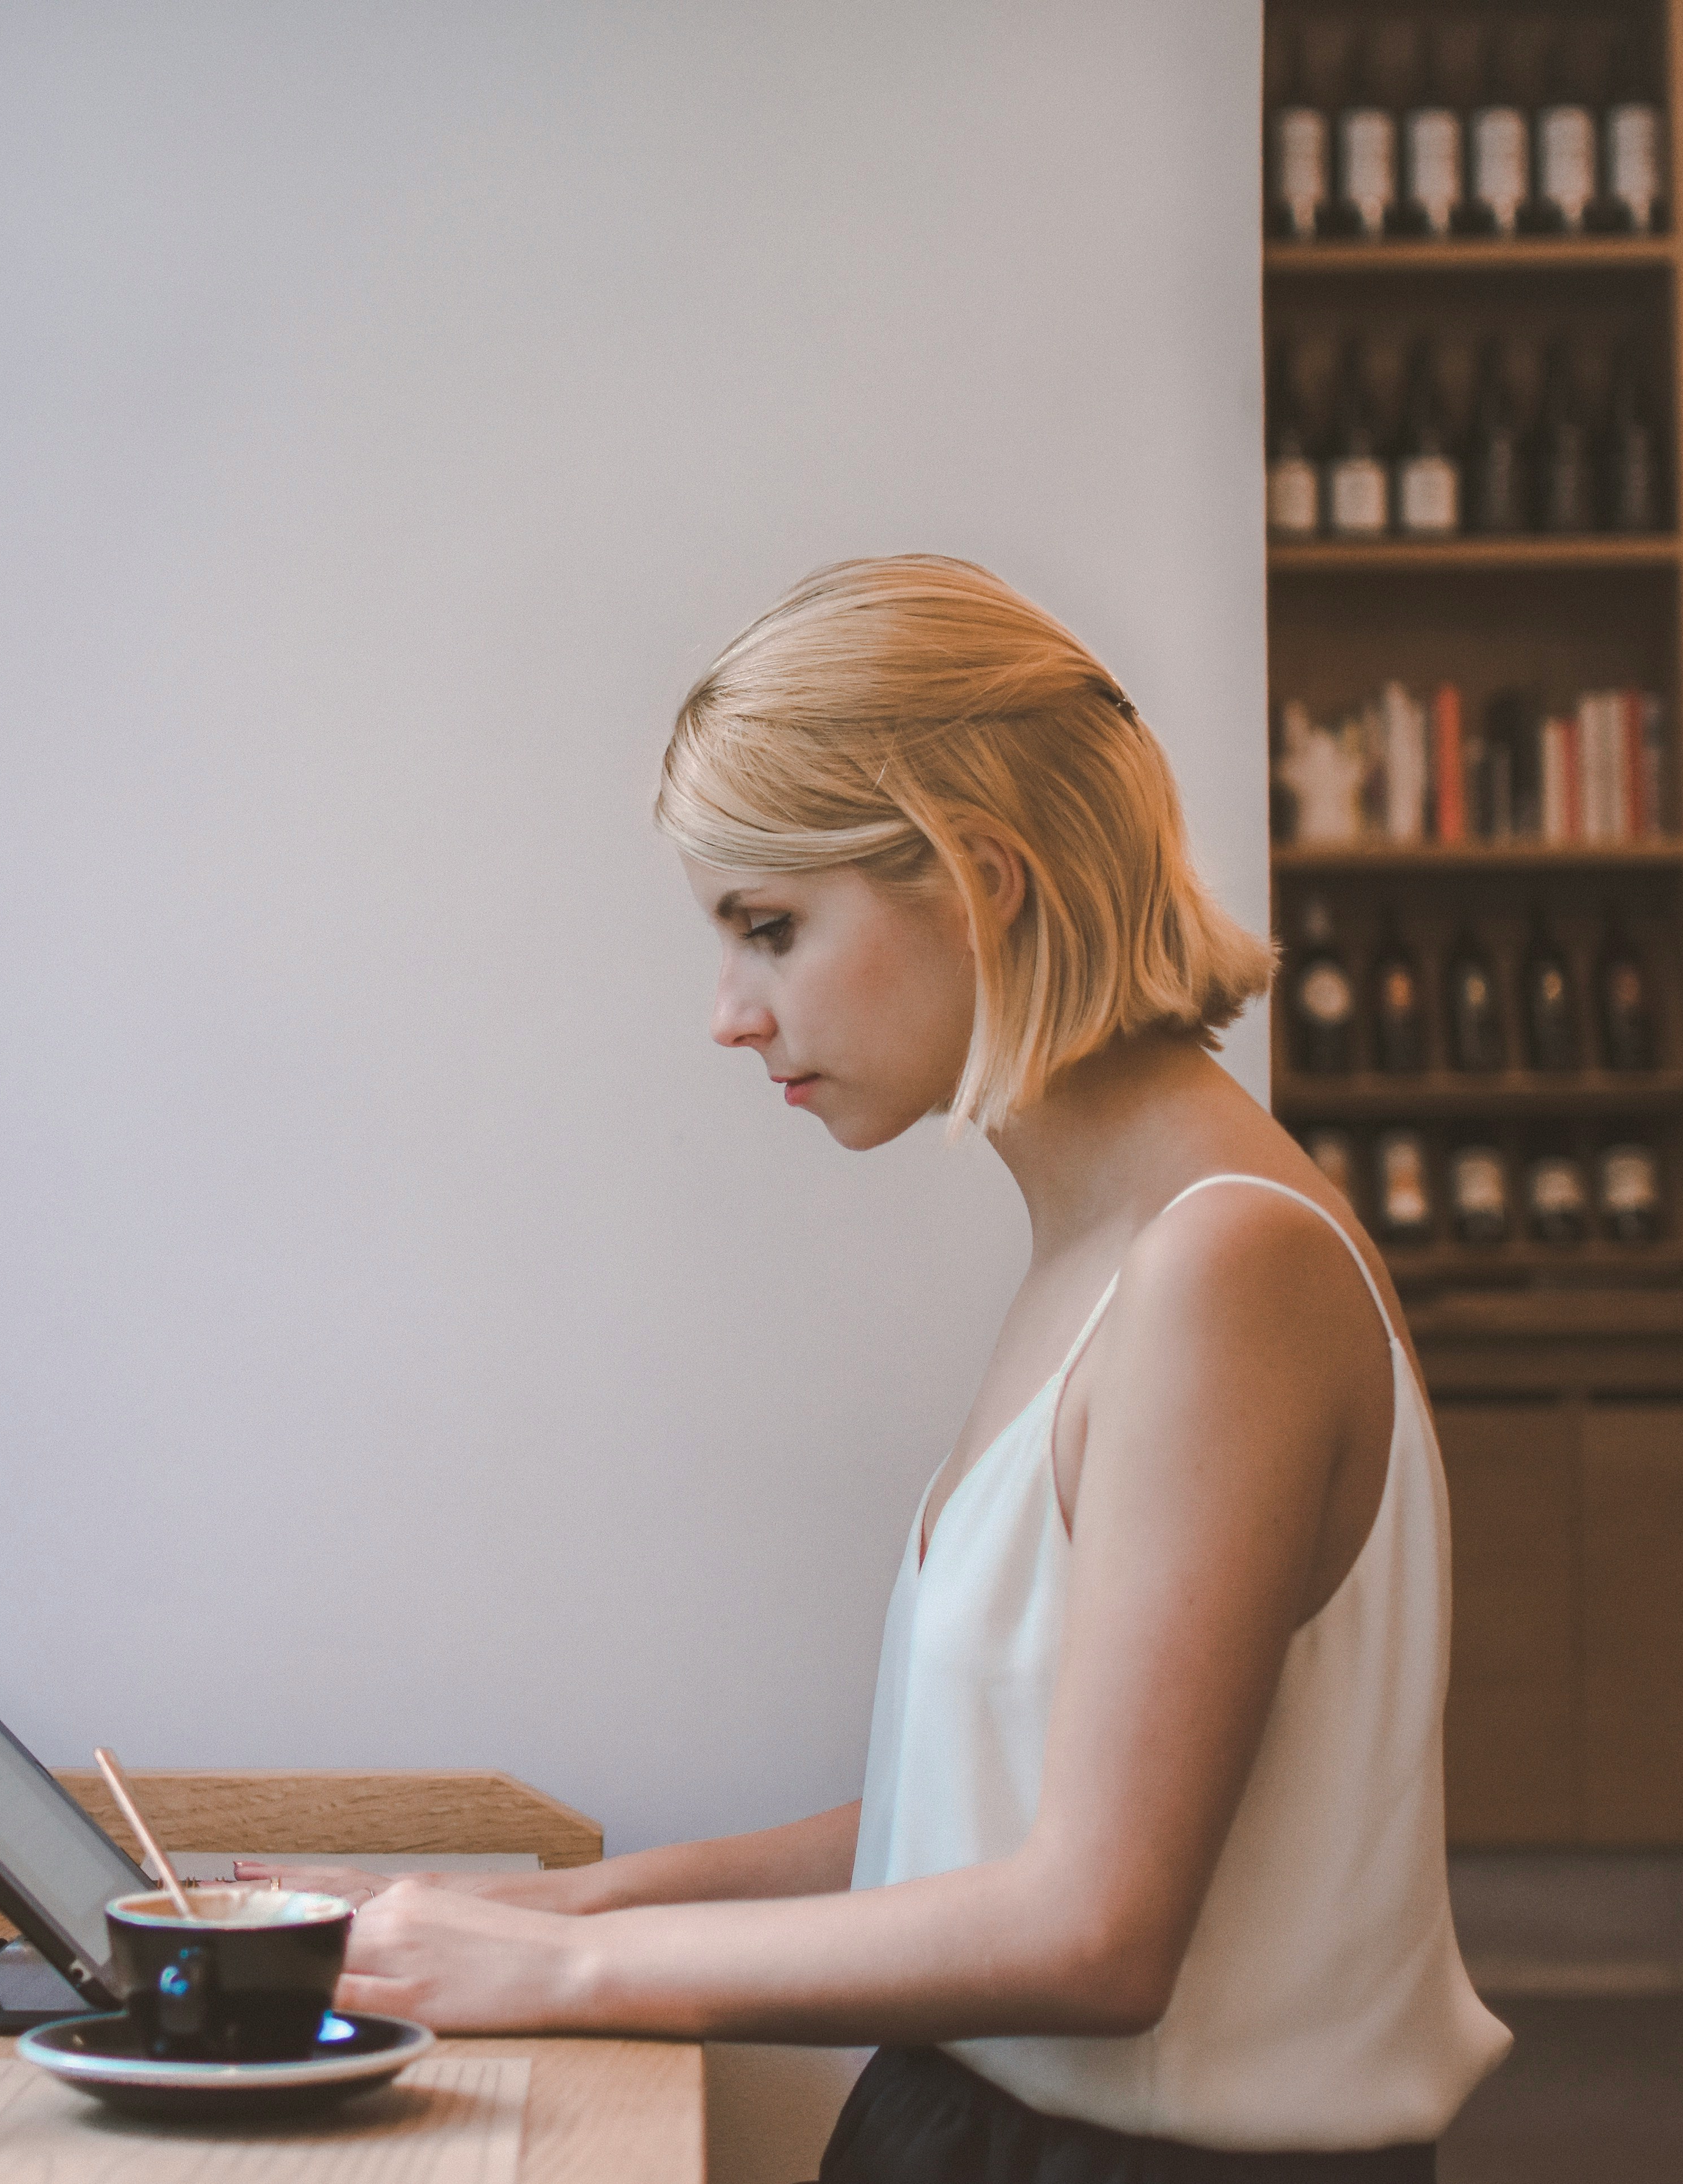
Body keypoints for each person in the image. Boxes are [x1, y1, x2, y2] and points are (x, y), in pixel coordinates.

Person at [241, 559, 1511, 2180]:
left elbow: (1096, 1928)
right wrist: (539, 1904)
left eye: (769, 928)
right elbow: (973, 1822)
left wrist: (568, 1971)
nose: (729, 1013)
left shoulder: (1223, 1265)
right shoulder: (1111, 1248)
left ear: (982, 879)